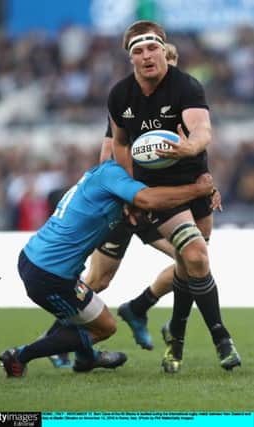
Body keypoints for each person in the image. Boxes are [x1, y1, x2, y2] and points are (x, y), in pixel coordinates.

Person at [105, 20, 241, 373]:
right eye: (138, 50)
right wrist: (128, 192)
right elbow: (118, 144)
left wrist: (189, 148)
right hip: (158, 195)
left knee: (191, 265)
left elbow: (202, 131)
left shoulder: (187, 87)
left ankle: (173, 337)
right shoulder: (120, 96)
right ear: (130, 58)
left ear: (164, 50)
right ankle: (221, 337)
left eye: (152, 48)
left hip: (196, 186)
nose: (147, 55)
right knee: (194, 254)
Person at [0, 159, 213, 377]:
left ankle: (86, 358)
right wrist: (198, 190)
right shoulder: (113, 176)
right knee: (105, 326)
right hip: (49, 274)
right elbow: (148, 199)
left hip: (38, 259)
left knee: (90, 312)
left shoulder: (103, 176)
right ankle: (20, 356)